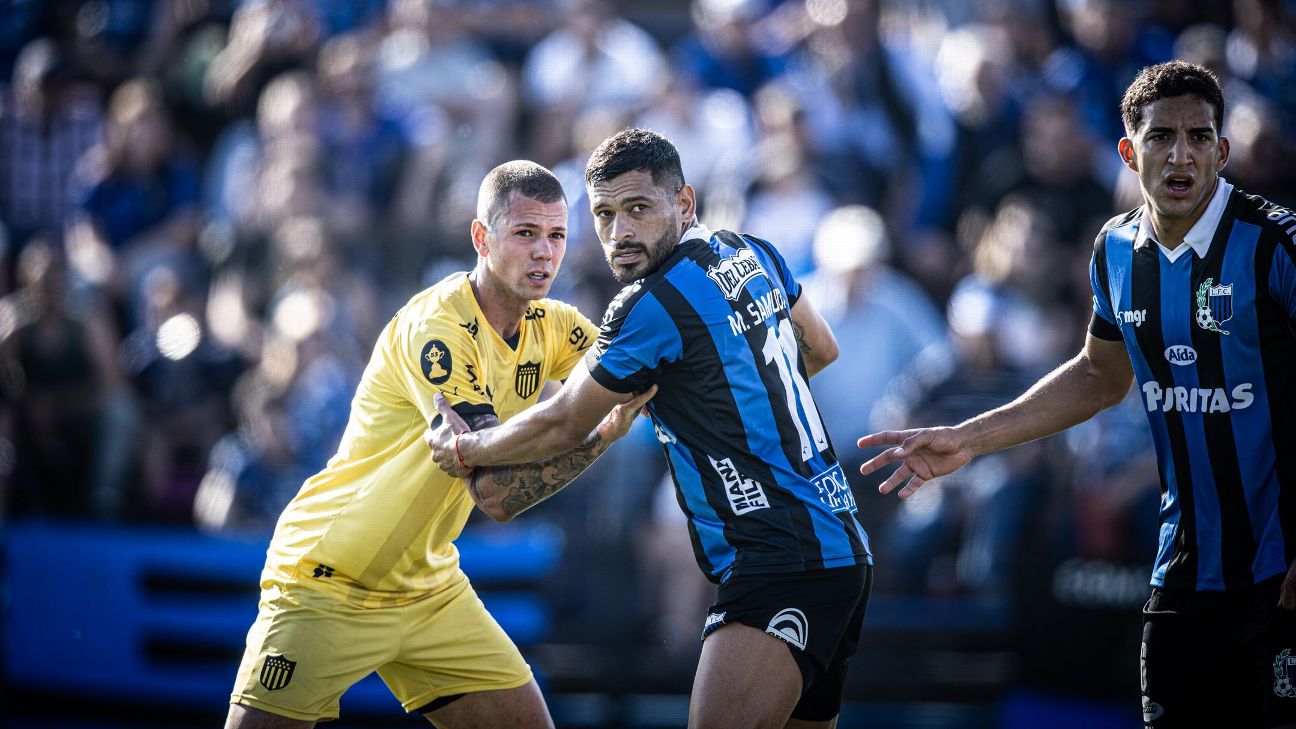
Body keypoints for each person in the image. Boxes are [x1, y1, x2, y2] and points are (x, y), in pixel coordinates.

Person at [857, 61, 1296, 729]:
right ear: (1128, 151)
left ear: (1223, 150)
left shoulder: (1277, 245)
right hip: (1181, 565)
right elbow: (1098, 376)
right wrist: (968, 439)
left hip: (1278, 566)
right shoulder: (1116, 250)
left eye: (1200, 136)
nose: (1181, 154)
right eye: (1161, 137)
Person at [428, 128, 872, 729]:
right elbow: (819, 348)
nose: (620, 233)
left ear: (684, 204)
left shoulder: (648, 306)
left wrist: (469, 444)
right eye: (604, 214)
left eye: (638, 208)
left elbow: (564, 422)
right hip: (841, 547)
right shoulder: (755, 251)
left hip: (781, 559)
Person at [225, 160, 653, 729]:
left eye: (556, 236)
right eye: (525, 233)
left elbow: (641, 376)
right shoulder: (439, 330)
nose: (545, 253)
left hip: (428, 588)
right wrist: (596, 437)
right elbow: (495, 495)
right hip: (329, 577)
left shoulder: (554, 324)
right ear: (481, 237)